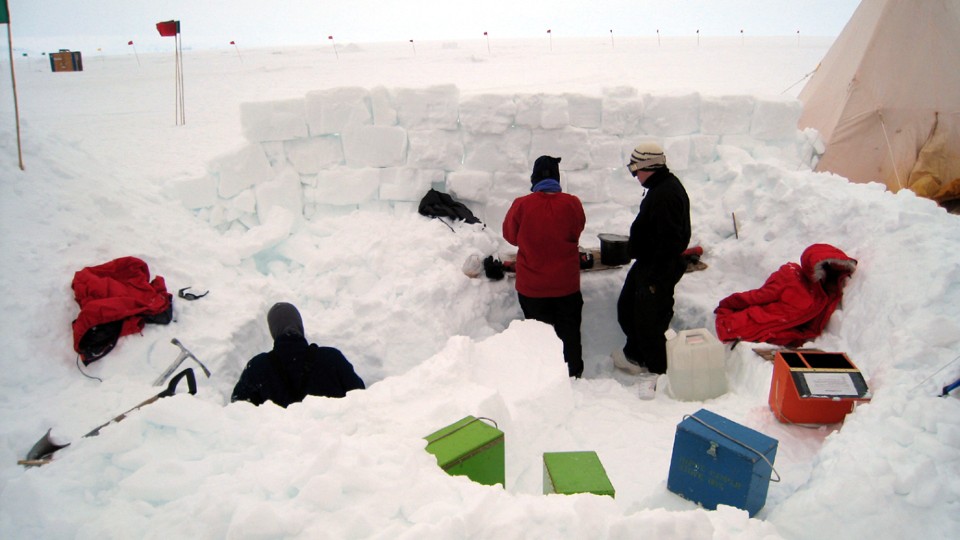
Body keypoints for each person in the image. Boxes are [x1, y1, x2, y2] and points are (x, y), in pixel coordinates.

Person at [502, 155, 587, 377]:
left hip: (532, 288)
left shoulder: (521, 205)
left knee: (541, 336)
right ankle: (573, 375)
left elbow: (511, 236)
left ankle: (546, 378)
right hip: (566, 287)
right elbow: (576, 231)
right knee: (569, 334)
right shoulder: (572, 203)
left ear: (535, 178)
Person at [612, 142, 691, 375]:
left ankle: (660, 371)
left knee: (650, 323)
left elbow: (670, 240)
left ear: (649, 166)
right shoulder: (661, 188)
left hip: (658, 268)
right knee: (628, 310)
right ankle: (636, 356)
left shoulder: (666, 194)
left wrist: (655, 279)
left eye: (636, 170)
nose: (635, 175)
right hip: (648, 264)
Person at [232, 302, 365, 407]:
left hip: (278, 440)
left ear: (273, 331)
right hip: (334, 439)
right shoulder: (332, 358)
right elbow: (362, 398)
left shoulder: (257, 367)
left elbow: (238, 411)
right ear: (299, 325)